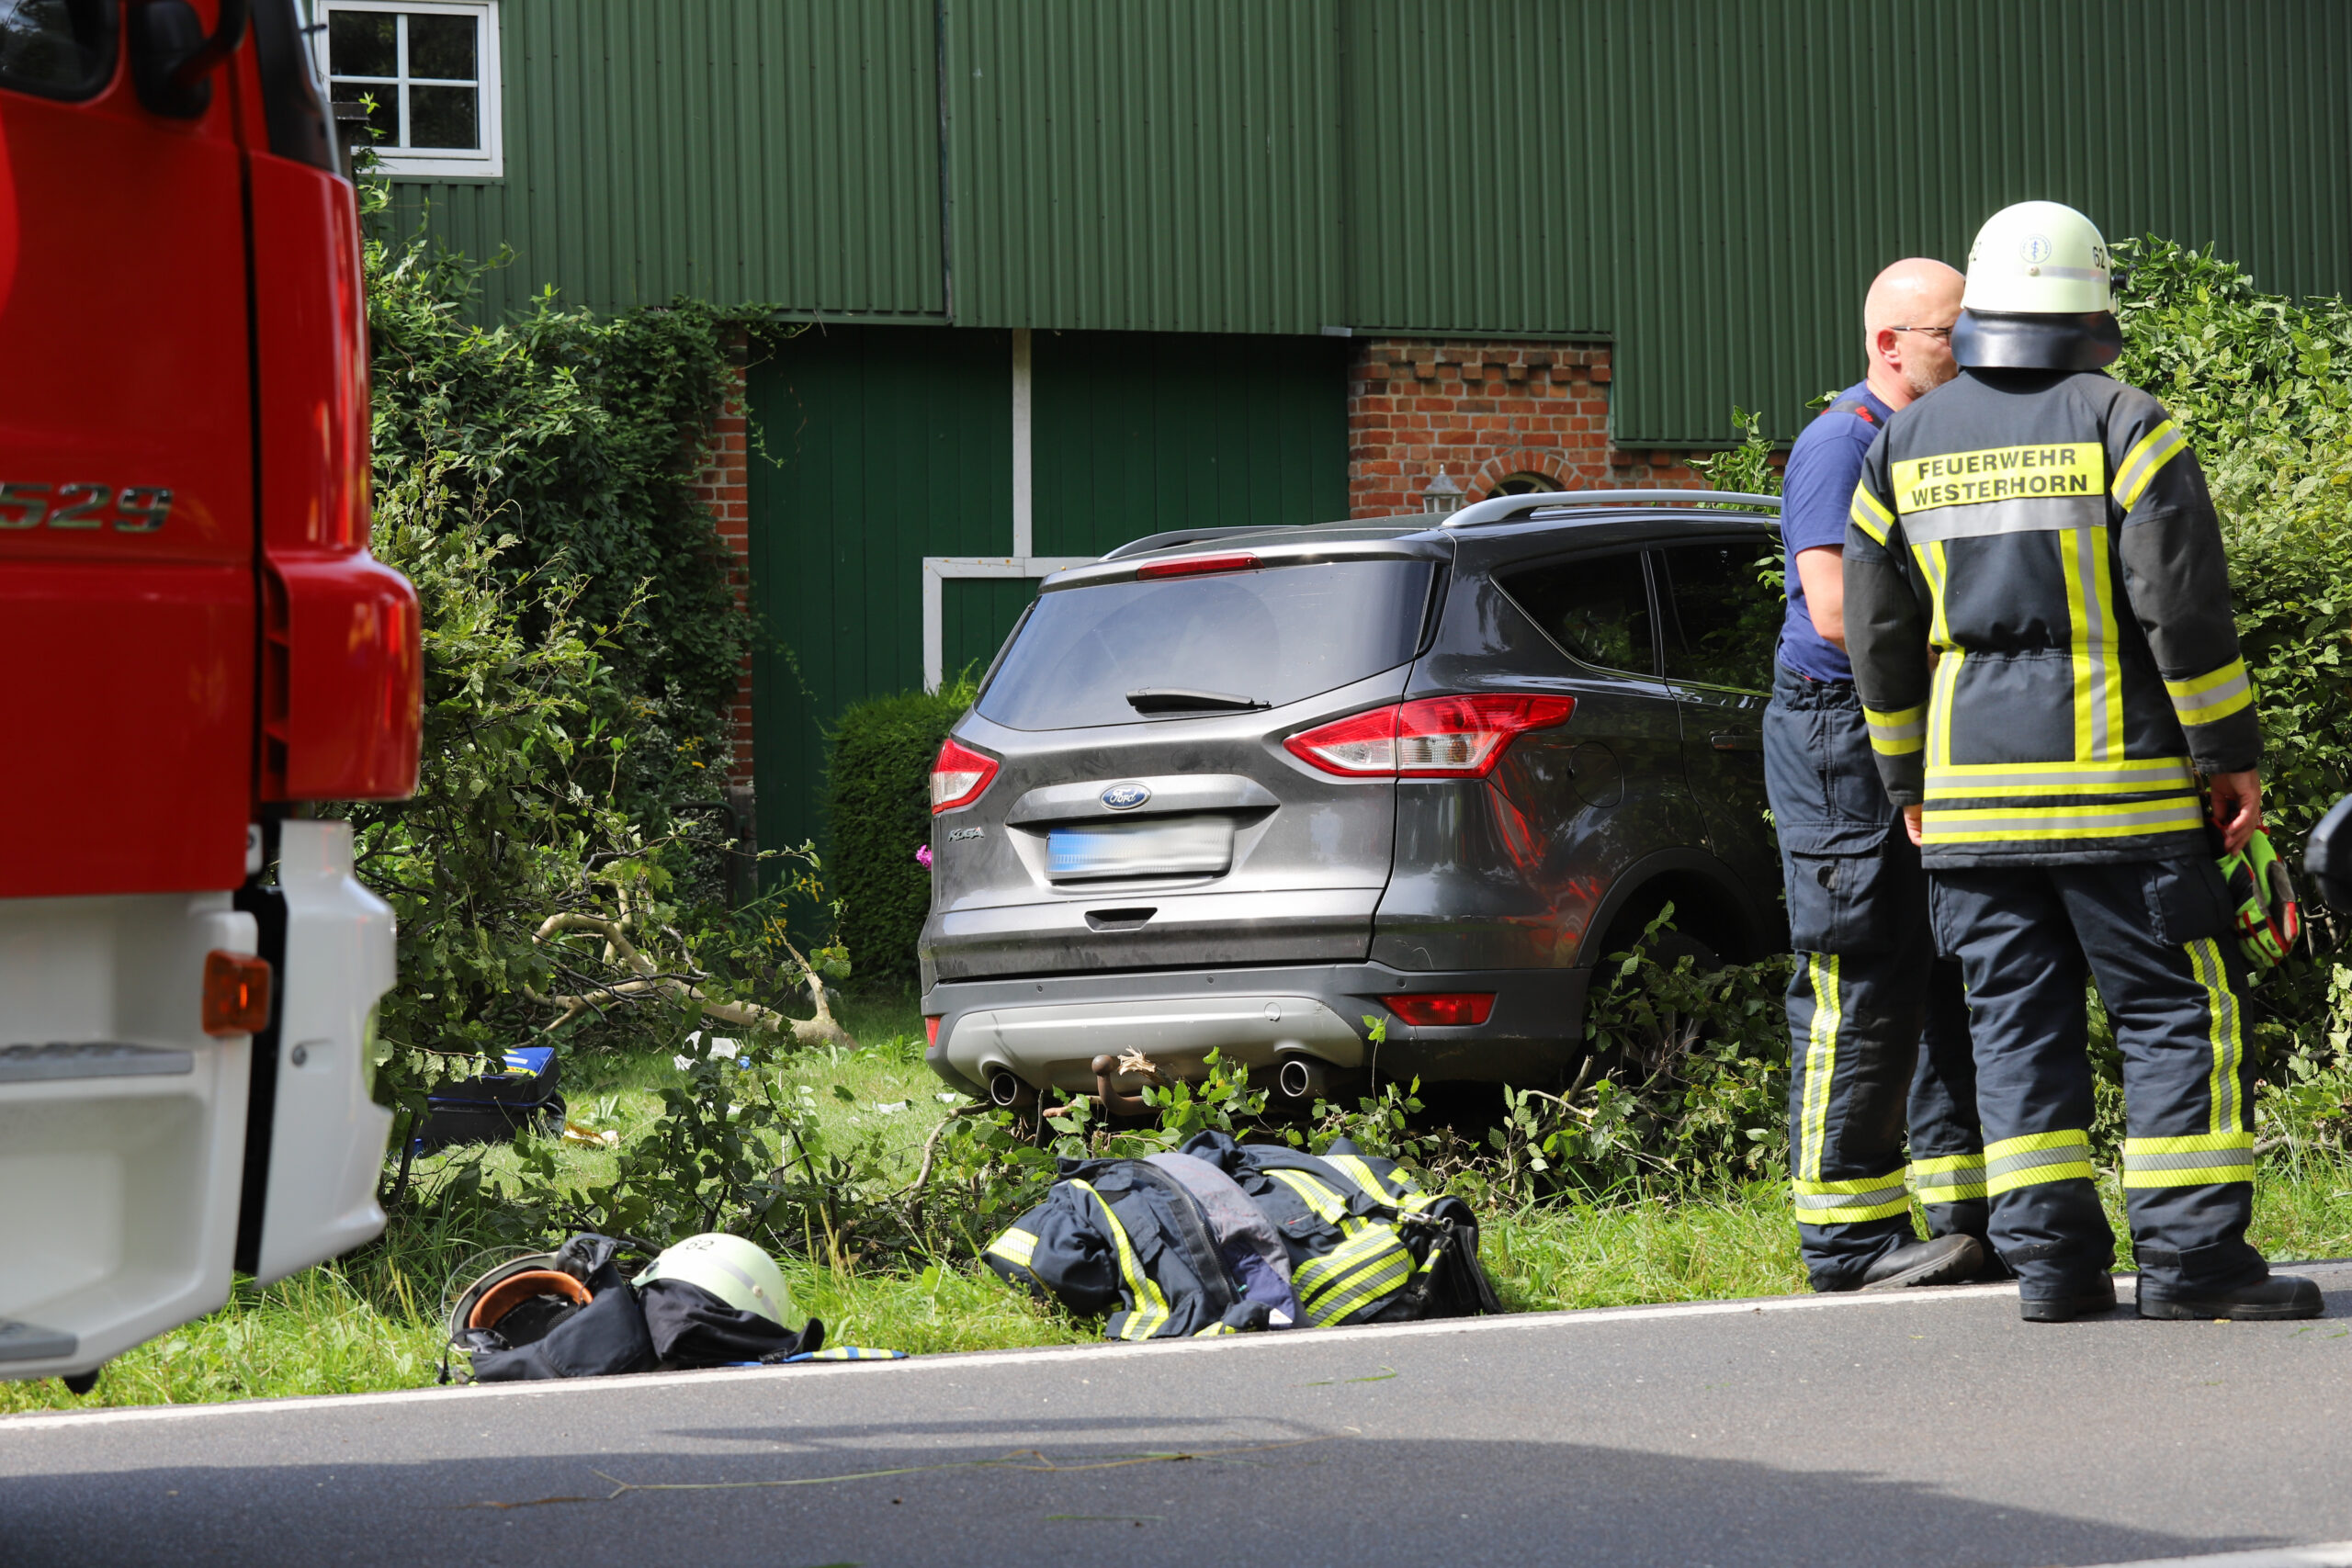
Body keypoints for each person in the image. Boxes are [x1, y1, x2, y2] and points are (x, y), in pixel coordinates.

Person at [1843, 199, 2322, 1323]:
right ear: (2093, 301)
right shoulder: (2125, 419)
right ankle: (2193, 1263)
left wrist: (1907, 783)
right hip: (2124, 788)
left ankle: (2053, 1270)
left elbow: (1873, 636)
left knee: (2015, 1023)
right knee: (2174, 1009)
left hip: (1968, 807)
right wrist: (2228, 754)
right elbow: (2182, 607)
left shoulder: (1899, 441)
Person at [1766, 257, 1990, 1292]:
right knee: (1859, 977)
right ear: (1889, 344)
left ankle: (1962, 1218)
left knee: (1942, 965)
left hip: (1912, 728)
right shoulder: (1838, 443)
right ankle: (1849, 1239)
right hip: (1839, 738)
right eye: (1950, 332)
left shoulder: (1930, 441)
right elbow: (1831, 611)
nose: (1968, 347)